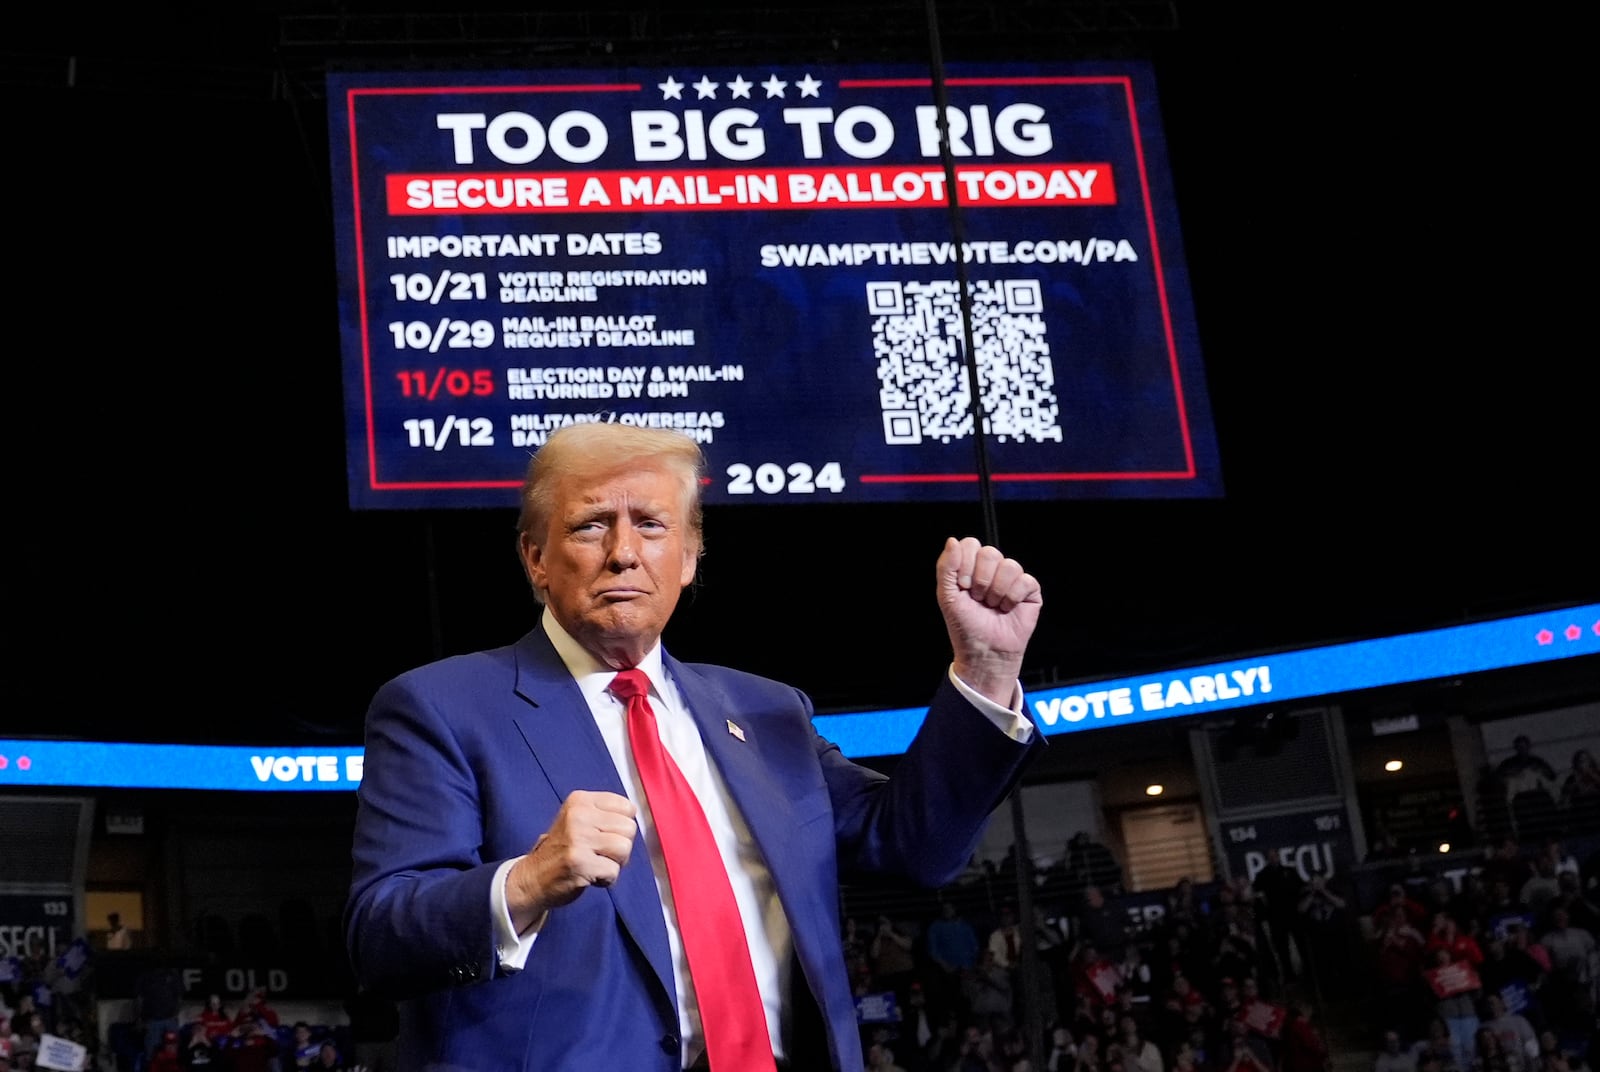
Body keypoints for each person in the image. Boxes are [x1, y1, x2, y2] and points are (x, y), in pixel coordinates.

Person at [343, 423, 1046, 1072]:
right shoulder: (440, 707)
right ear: (536, 558)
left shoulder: (769, 712)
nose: (624, 552)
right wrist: (524, 882)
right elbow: (379, 938)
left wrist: (985, 672)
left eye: (651, 525)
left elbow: (914, 846)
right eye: (591, 525)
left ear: (688, 557)